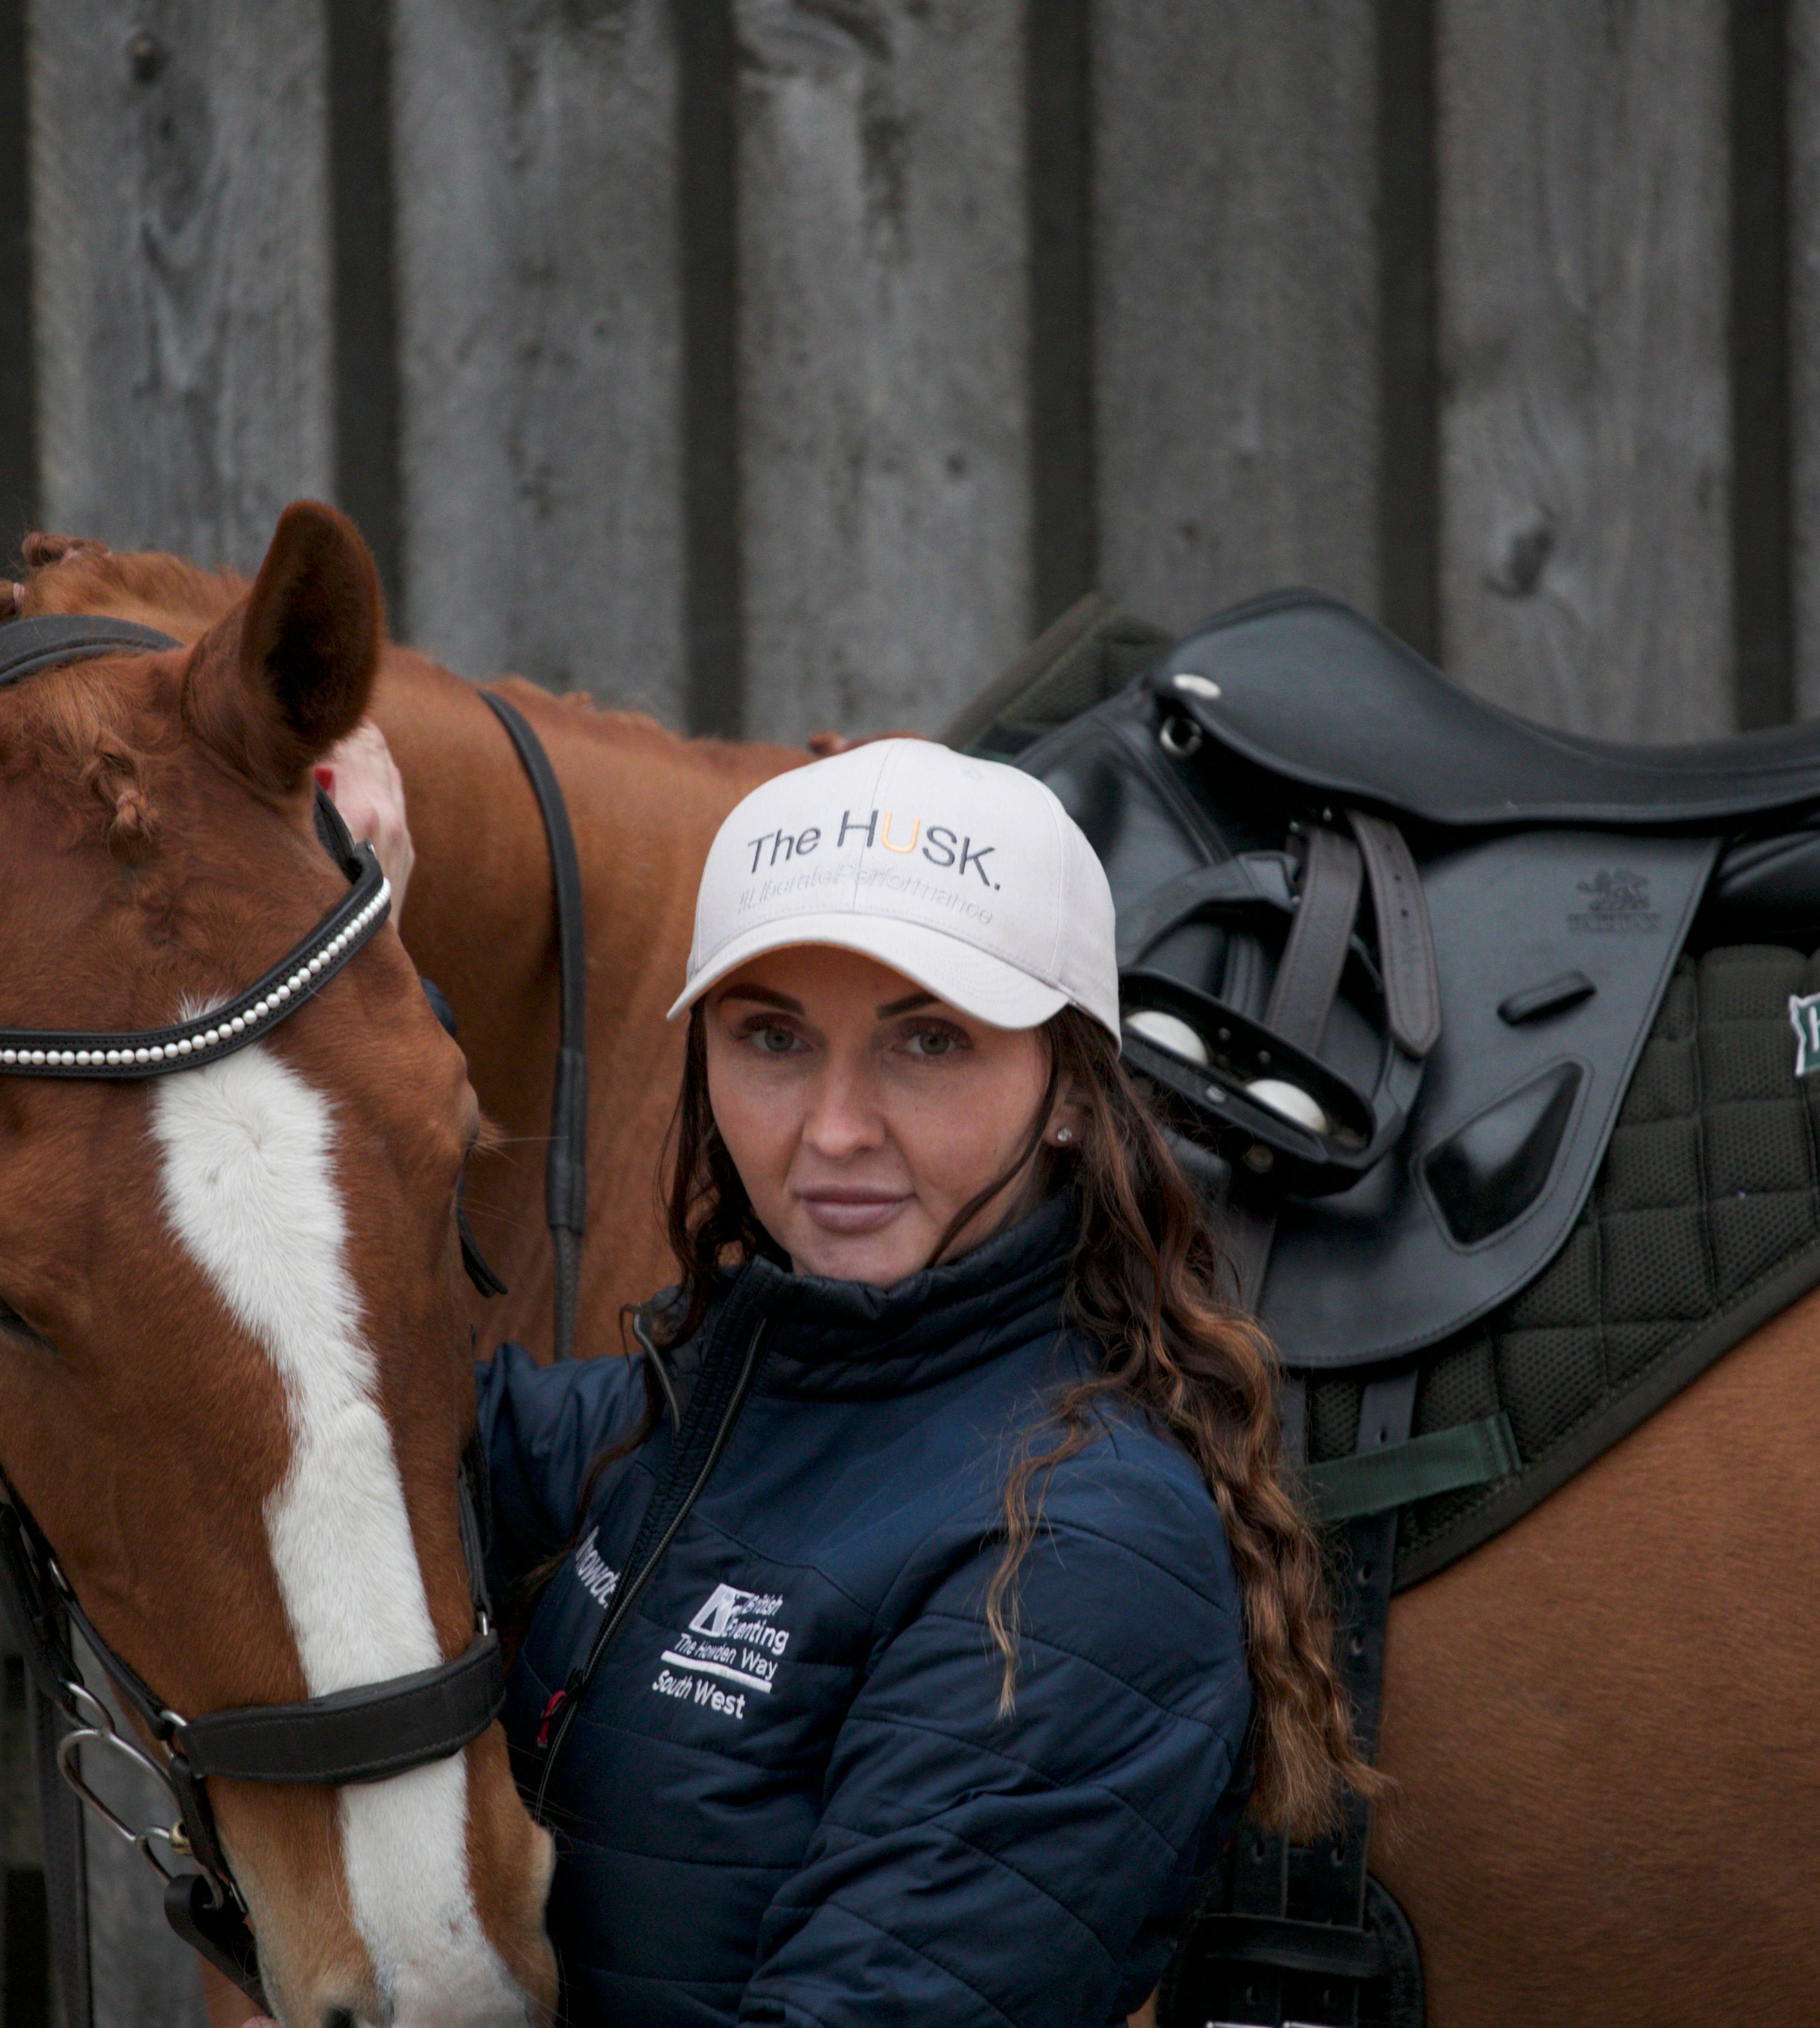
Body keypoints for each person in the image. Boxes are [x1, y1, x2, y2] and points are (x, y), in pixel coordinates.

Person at [471, 738, 1369, 2026]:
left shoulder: (1071, 1559)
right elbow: (348, 1418)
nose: (834, 1130)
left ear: (1070, 1090)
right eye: (772, 1036)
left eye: (930, 1041)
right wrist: (336, 912)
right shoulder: (705, 1407)